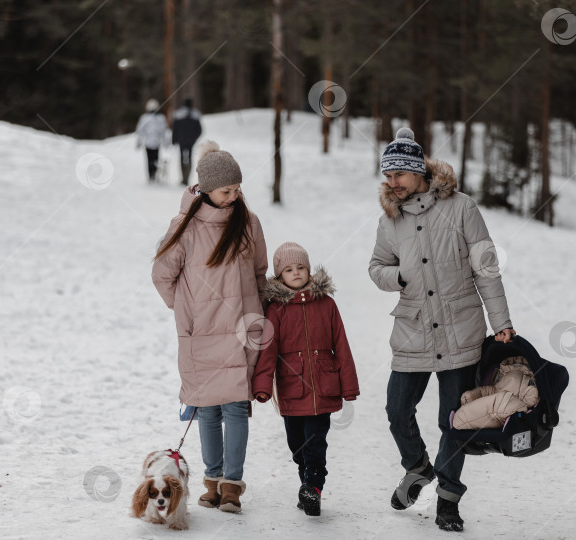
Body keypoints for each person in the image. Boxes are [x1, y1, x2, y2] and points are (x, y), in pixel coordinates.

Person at [368, 127, 516, 533]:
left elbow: (486, 267)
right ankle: (417, 468)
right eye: (388, 176)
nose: (392, 183)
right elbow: (376, 266)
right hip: (413, 329)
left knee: (454, 421)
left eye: (398, 175)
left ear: (418, 173)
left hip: (460, 328)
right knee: (397, 411)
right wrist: (396, 276)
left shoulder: (462, 208)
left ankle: (448, 499)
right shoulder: (389, 220)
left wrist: (500, 321)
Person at [152, 140, 268, 514]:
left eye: (237, 189)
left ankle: (232, 484)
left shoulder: (248, 222)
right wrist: (186, 310)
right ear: (204, 189)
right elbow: (162, 275)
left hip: (240, 328)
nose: (234, 196)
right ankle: (212, 480)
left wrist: (258, 312)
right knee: (208, 409)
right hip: (200, 331)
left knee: (236, 407)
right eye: (226, 190)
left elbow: (259, 273)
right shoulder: (184, 227)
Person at [251, 242, 360, 517]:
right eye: (289, 269)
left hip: (323, 387)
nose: (296, 273)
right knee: (297, 445)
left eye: (301, 267)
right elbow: (268, 351)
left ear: (309, 270)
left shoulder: (326, 304)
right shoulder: (276, 310)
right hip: (291, 389)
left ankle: (314, 486)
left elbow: (342, 345)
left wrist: (348, 386)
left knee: (316, 442)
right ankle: (306, 485)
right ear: (280, 276)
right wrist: (263, 385)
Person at [172, 98, 203, 185]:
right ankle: (187, 178)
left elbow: (175, 129)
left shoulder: (178, 114)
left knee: (182, 157)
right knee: (189, 158)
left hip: (181, 140)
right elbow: (199, 130)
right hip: (191, 141)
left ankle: (183, 178)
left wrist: (174, 140)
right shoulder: (195, 115)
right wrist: (194, 139)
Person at [136, 99, 168, 182]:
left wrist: (165, 142)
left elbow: (163, 131)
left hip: (154, 143)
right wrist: (139, 141)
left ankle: (153, 174)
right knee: (152, 160)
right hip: (150, 143)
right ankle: (152, 174)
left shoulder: (160, 118)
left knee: (153, 160)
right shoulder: (146, 118)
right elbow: (140, 131)